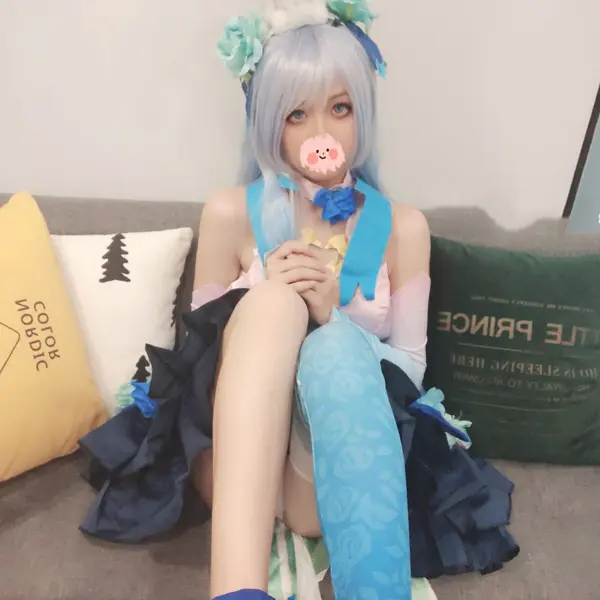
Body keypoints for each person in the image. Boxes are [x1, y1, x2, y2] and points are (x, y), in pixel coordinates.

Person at [78, 2, 518, 600]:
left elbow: (412, 371)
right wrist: (269, 296)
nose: (321, 134)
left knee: (333, 344)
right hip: (230, 457)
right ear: (269, 123)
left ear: (362, 111)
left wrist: (333, 315)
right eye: (297, 114)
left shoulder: (403, 229)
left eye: (340, 108)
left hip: (326, 472)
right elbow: (199, 361)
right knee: (275, 304)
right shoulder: (231, 213)